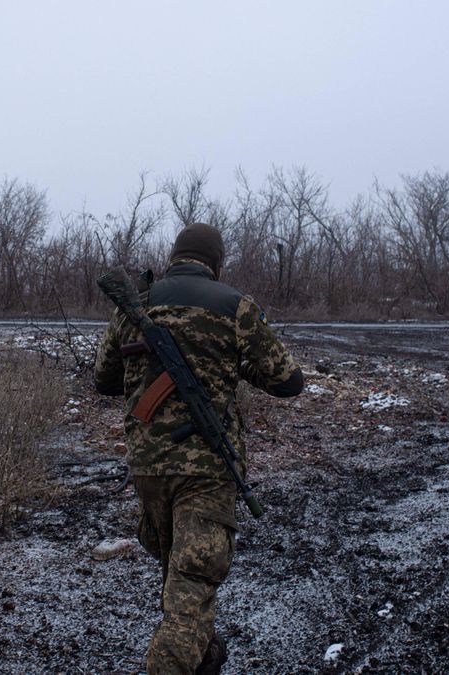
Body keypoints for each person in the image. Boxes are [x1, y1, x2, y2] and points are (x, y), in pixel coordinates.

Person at [93, 222, 304, 674]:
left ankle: (203, 658)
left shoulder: (137, 307)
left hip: (148, 466)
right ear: (216, 261)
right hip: (207, 470)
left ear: (174, 256)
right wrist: (235, 364)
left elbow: (103, 380)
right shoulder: (234, 306)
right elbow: (289, 382)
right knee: (190, 581)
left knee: (182, 578)